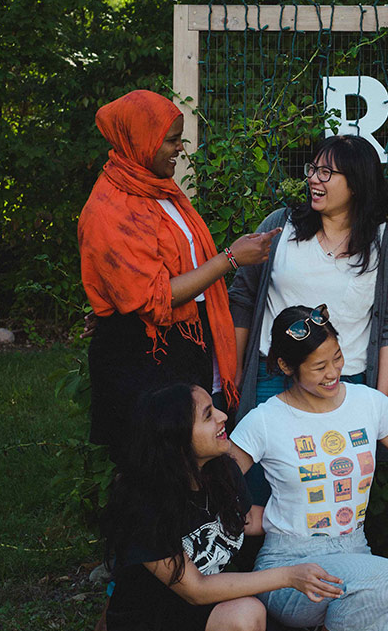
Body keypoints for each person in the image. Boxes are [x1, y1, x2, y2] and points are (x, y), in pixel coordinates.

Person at [78, 89, 279, 456]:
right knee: (153, 468)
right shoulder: (110, 209)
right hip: (143, 358)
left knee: (192, 463)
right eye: (171, 140)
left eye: (180, 139)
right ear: (142, 141)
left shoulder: (159, 189)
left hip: (182, 345)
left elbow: (157, 272)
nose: (180, 149)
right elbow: (154, 298)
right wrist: (229, 259)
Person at [229, 304, 388, 631]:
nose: (332, 373)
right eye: (318, 367)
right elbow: (212, 484)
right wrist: (257, 518)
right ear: (287, 366)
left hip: (356, 553)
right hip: (289, 566)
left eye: (337, 358)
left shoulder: (367, 403)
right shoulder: (265, 420)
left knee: (379, 599)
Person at [103, 383, 344, 631]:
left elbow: (245, 518)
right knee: (247, 614)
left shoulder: (221, 471)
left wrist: (319, 521)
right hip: (152, 619)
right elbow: (196, 590)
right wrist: (289, 576)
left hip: (204, 610)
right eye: (208, 415)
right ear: (177, 437)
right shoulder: (144, 505)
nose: (223, 416)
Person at [229, 134, 388, 417]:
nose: (314, 179)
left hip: (344, 382)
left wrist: (379, 403)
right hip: (272, 379)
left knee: (338, 461)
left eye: (326, 173)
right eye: (312, 170)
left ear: (356, 183)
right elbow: (242, 297)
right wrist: (237, 370)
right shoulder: (279, 227)